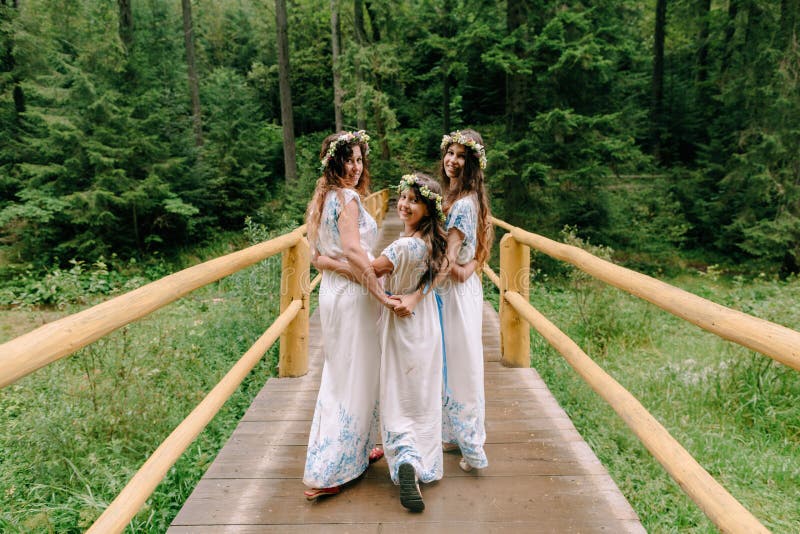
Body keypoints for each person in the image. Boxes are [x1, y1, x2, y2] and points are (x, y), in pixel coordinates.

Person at [317, 173, 449, 512]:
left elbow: (366, 272)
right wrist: (418, 296)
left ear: (427, 210)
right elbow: (441, 269)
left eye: (412, 201)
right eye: (402, 198)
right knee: (421, 390)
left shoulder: (400, 248)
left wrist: (326, 262)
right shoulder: (433, 244)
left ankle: (405, 457)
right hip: (427, 324)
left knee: (396, 391)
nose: (403, 204)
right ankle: (421, 460)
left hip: (399, 326)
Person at [393, 129, 493, 473]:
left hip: (454, 295)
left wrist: (418, 293)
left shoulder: (465, 203)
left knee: (461, 367)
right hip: (448, 290)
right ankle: (452, 435)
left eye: (461, 156)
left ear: (473, 163)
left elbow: (450, 259)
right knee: (446, 362)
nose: (453, 161)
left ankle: (472, 445)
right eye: (450, 153)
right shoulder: (453, 195)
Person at [302, 130, 393, 500]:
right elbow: (354, 252)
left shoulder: (319, 200)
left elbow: (318, 258)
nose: (356, 168)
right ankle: (330, 468)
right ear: (334, 162)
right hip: (354, 294)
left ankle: (357, 450)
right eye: (349, 160)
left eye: (360, 160)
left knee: (343, 371)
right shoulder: (348, 198)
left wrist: (340, 267)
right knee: (355, 372)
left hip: (331, 293)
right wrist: (378, 289)